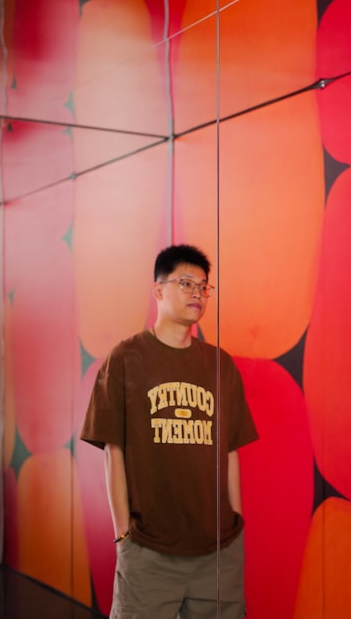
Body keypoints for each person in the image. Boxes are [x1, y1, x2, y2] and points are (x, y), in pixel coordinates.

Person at [81, 244, 259, 619]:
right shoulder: (126, 359)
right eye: (186, 282)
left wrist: (235, 526)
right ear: (158, 290)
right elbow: (113, 452)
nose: (197, 292)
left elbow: (230, 451)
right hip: (149, 550)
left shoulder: (219, 365)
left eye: (204, 286)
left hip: (217, 552)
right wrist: (123, 536)